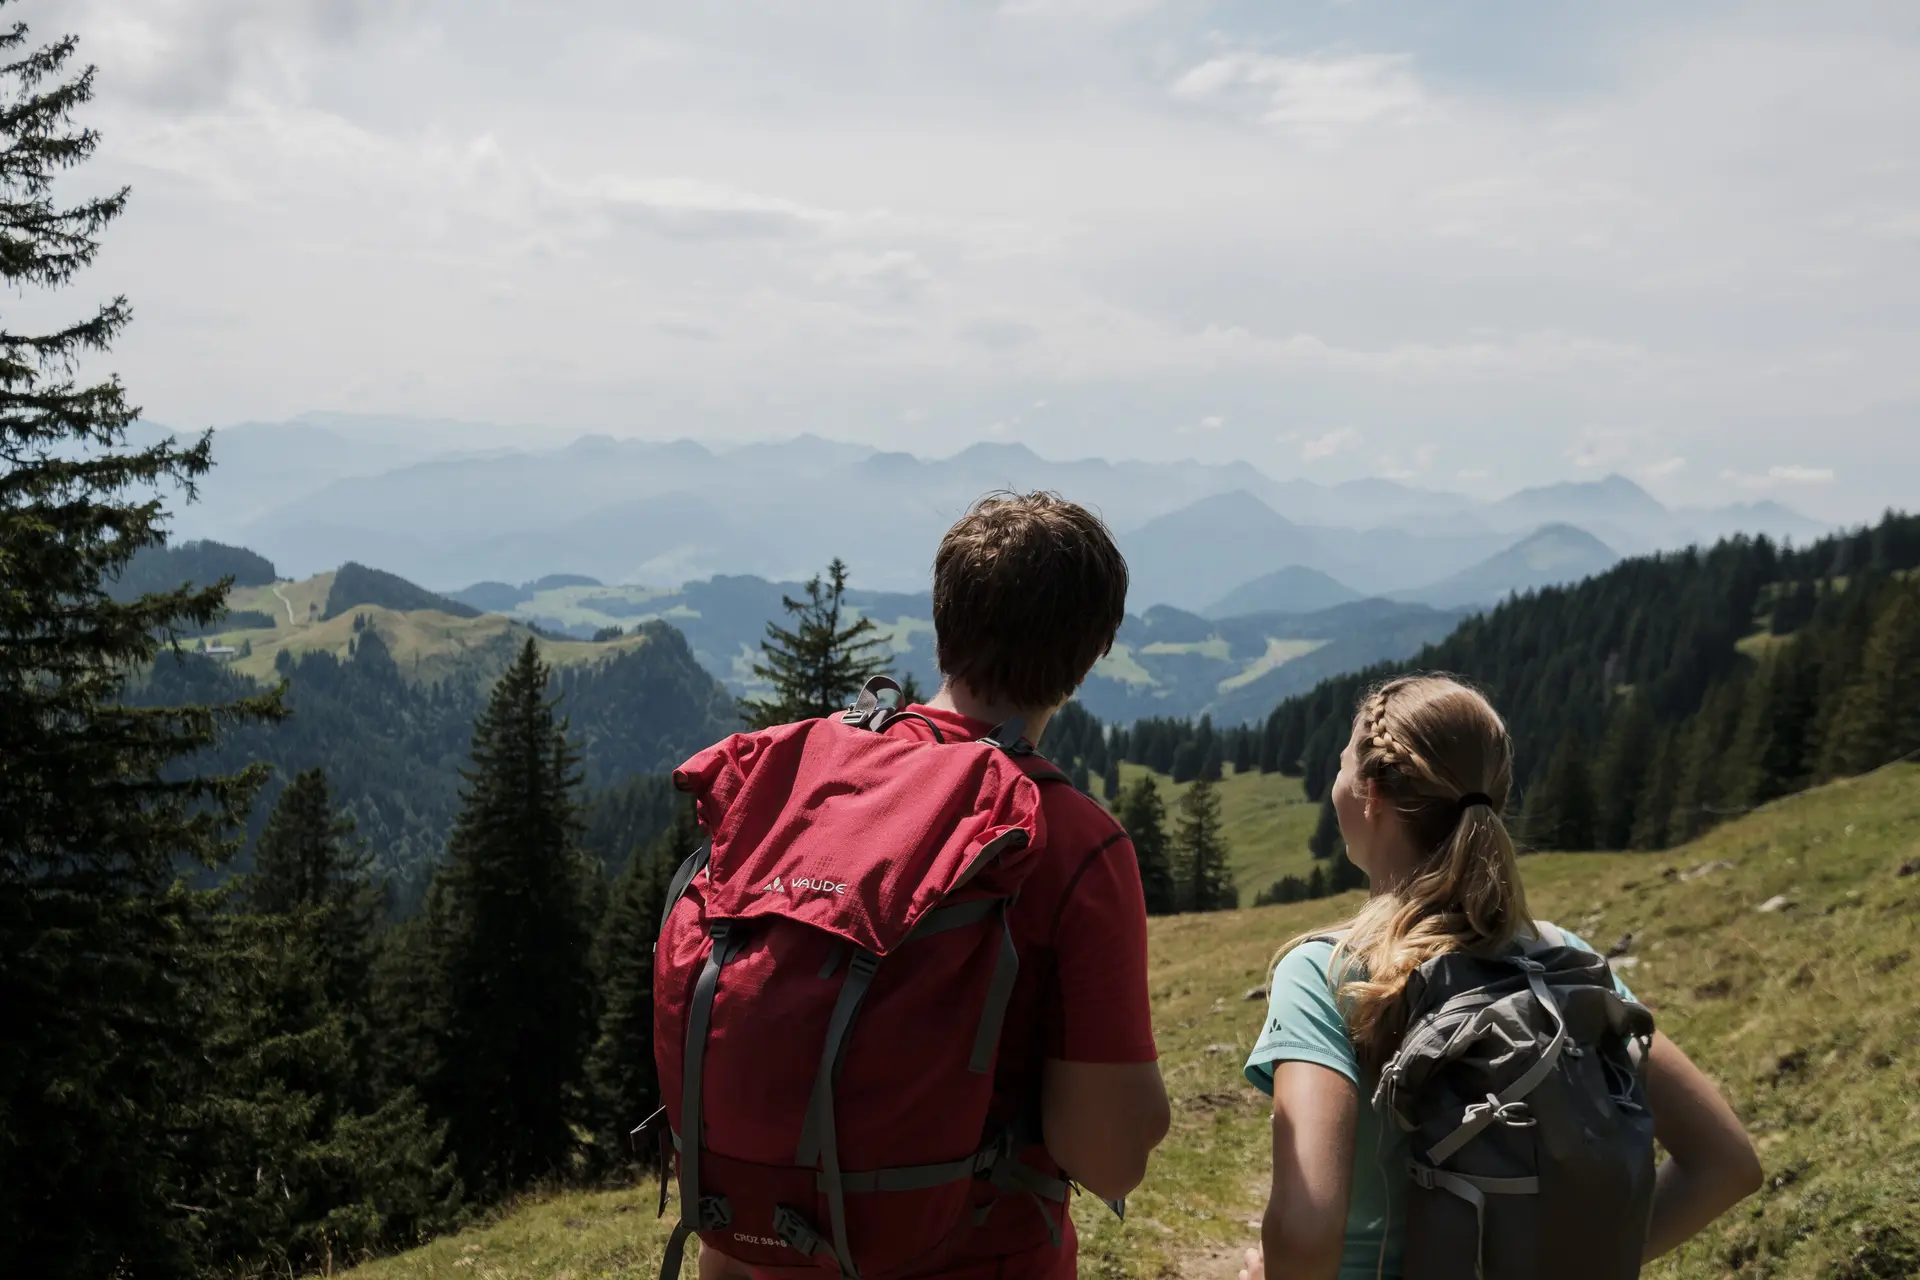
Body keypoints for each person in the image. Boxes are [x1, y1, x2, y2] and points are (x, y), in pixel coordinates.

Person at [698, 490, 1170, 1280]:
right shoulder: (1072, 842)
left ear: (943, 620)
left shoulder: (802, 784)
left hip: (762, 1246)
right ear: (1096, 650)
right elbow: (1111, 1158)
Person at [1237, 675, 1762, 1280]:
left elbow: (1306, 1237)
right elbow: (1726, 1164)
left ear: (1370, 792)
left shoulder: (1325, 974)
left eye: (1343, 761)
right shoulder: (1563, 961)